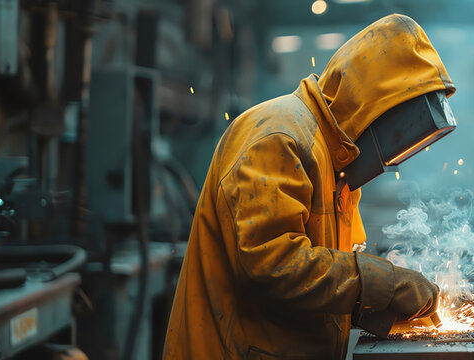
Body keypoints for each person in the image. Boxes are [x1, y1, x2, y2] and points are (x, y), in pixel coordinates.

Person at [163, 14, 458, 359]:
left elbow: (319, 283)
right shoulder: (280, 135)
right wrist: (384, 284)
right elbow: (273, 265)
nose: (392, 159)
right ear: (372, 107)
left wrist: (382, 307)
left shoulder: (336, 164)